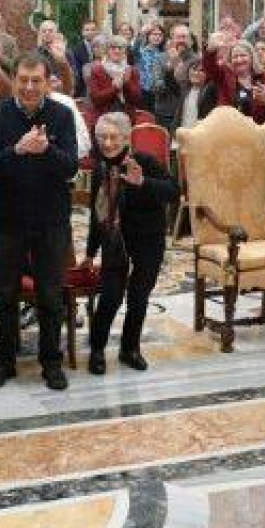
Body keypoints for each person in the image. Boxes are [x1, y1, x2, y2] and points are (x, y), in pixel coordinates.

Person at [0, 55, 78, 391]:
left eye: (37, 80)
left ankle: (51, 361)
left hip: (51, 220)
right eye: (24, 80)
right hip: (9, 220)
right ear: (14, 80)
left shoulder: (62, 115)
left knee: (50, 295)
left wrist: (46, 149)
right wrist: (17, 150)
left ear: (48, 81)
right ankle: (4, 360)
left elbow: (71, 168)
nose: (30, 87)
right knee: (6, 294)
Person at [82, 112, 177, 374]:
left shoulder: (143, 161)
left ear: (126, 138)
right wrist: (90, 252)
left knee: (138, 297)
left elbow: (173, 192)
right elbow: (97, 212)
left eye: (114, 137)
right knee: (110, 296)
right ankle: (98, 350)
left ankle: (130, 349)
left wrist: (143, 182)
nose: (108, 143)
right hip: (115, 242)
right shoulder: (99, 167)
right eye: (102, 137)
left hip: (148, 239)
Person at [85, 36, 143, 125]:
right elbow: (95, 99)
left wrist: (127, 83)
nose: (117, 51)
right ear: (107, 51)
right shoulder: (97, 70)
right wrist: (115, 88)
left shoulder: (131, 70)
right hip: (103, 119)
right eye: (113, 48)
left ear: (125, 51)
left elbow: (137, 99)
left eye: (120, 48)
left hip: (127, 119)